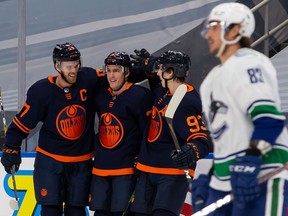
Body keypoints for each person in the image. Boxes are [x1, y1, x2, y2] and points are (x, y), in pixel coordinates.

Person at [193, 2, 288, 215]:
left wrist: (252, 159)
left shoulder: (249, 63)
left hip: (263, 172)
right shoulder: (211, 80)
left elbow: (269, 120)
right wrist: (212, 178)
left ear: (235, 29)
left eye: (215, 27)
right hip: (227, 178)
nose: (208, 34)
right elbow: (226, 138)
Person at [1, 42, 107, 216]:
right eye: (69, 66)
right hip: (50, 163)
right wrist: (11, 147)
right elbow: (22, 122)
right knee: (50, 210)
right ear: (57, 66)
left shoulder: (88, 78)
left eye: (76, 65)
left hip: (81, 163)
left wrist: (145, 69)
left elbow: (116, 75)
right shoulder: (41, 91)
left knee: (77, 211)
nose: (74, 70)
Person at [130, 50, 209, 216]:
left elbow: (201, 141)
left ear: (170, 72)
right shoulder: (162, 90)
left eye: (161, 69)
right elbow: (151, 73)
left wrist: (191, 150)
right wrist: (150, 61)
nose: (158, 73)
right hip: (147, 169)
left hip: (171, 173)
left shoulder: (188, 100)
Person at [89, 51, 153, 216]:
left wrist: (143, 160)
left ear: (126, 72)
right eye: (109, 70)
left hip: (126, 171)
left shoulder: (140, 96)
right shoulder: (101, 95)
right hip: (101, 169)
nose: (111, 75)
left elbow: (149, 131)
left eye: (116, 70)